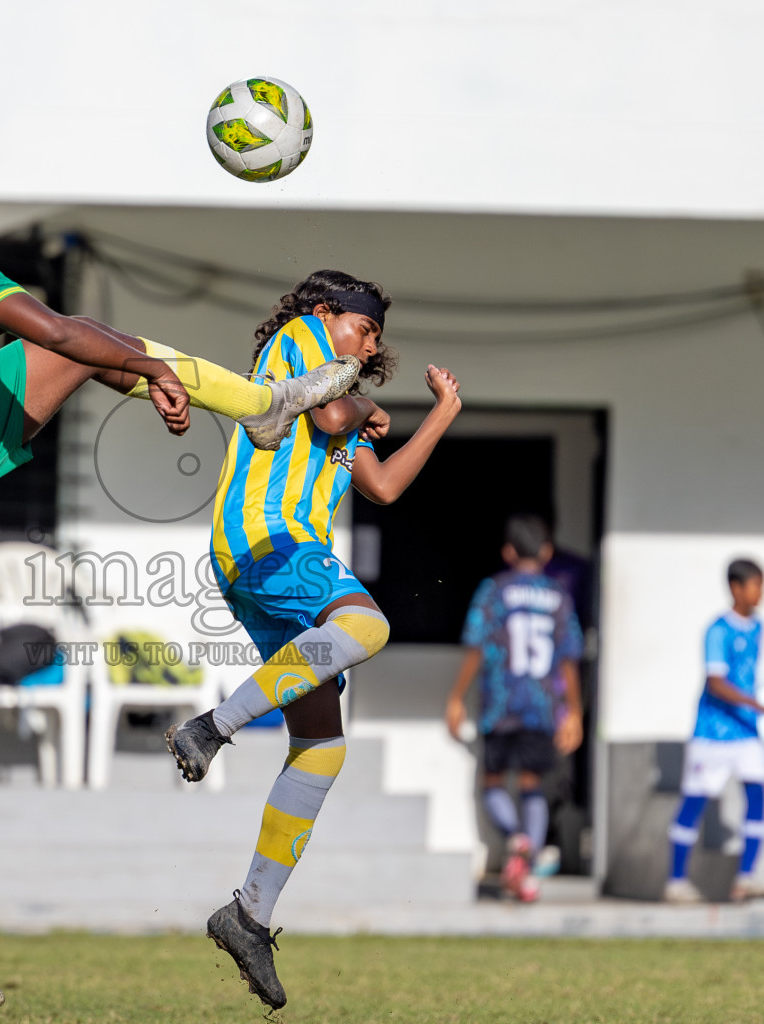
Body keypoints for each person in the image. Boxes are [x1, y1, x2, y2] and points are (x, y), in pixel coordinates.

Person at [0, 115, 362, 1012]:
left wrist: (140, 373)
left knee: (75, 340)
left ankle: (262, 407)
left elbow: (68, 343)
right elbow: (59, 331)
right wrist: (138, 370)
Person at [162, 270, 463, 1010]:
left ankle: (249, 914)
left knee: (323, 746)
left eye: (374, 339)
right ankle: (213, 726)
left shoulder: (342, 391)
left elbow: (384, 487)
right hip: (272, 540)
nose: (368, 344)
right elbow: (331, 420)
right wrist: (361, 404)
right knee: (368, 624)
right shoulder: (301, 340)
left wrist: (440, 414)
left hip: (273, 563)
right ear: (328, 315)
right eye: (362, 329)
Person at [445, 515, 585, 903]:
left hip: (500, 704)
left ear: (508, 551)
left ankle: (516, 838)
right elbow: (569, 657)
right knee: (532, 785)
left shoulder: (494, 590)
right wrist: (574, 711)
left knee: (492, 782)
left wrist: (457, 697)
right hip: (542, 707)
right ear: (546, 552)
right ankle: (528, 869)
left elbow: (476, 646)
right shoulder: (558, 595)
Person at [663, 559, 764, 904]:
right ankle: (675, 880)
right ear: (736, 587)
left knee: (758, 796)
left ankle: (745, 878)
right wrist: (762, 707)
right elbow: (716, 683)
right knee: (695, 802)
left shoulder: (758, 627)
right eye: (756, 585)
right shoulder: (717, 630)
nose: (761, 593)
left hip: (745, 733)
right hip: (712, 733)